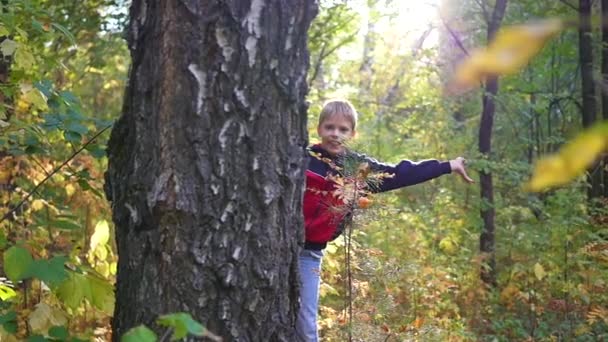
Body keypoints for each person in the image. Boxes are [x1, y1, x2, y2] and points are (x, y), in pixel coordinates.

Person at [296, 99, 474, 342]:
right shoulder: (304, 157)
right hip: (279, 244)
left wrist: (447, 166)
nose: (335, 134)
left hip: (310, 253)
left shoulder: (357, 167)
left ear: (352, 133)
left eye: (342, 129)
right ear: (319, 129)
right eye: (329, 127)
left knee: (305, 320)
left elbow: (399, 174)